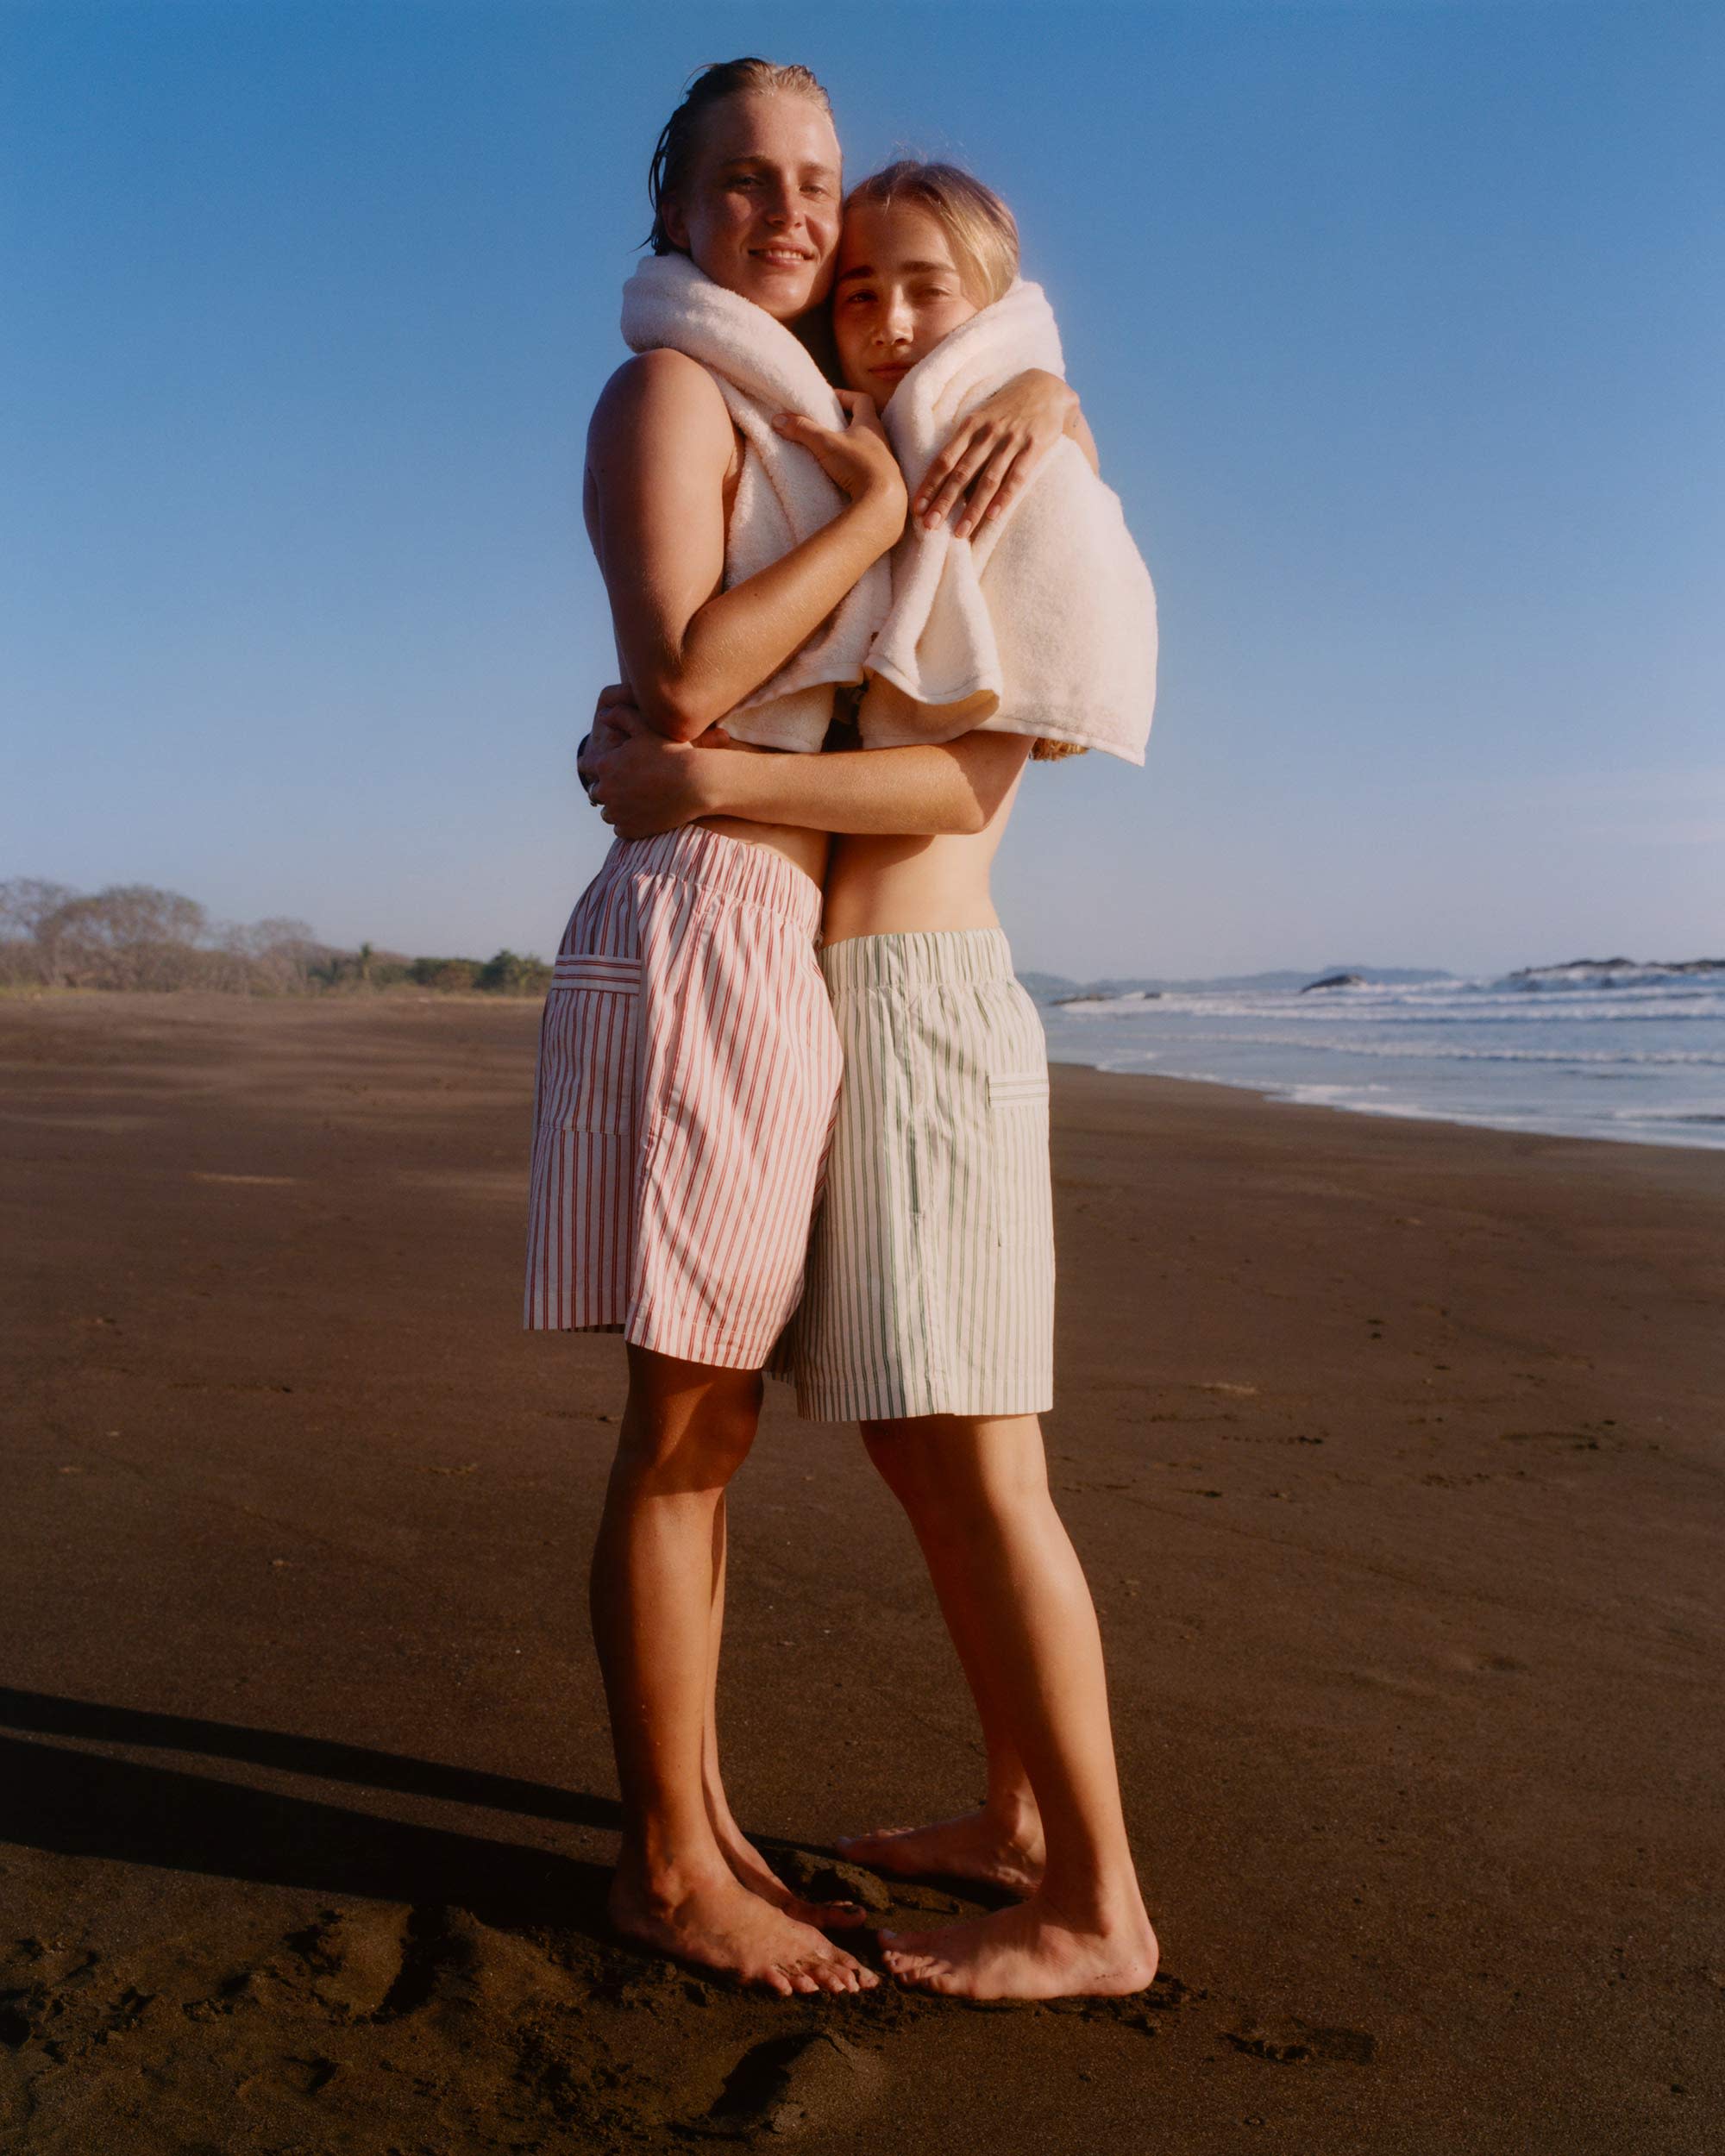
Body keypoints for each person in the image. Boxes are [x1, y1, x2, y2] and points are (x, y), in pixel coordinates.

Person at [530, 61, 1082, 1998]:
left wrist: (1030, 386)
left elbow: (1012, 402)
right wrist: (857, 511)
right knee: (685, 1420)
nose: (785, 209)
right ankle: (668, 1861)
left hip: (774, 917)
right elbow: (684, 672)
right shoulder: (679, 394)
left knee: (720, 1413)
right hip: (707, 919)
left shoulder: (816, 404)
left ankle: (698, 1813)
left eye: (814, 181)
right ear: (673, 207)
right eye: (746, 180)